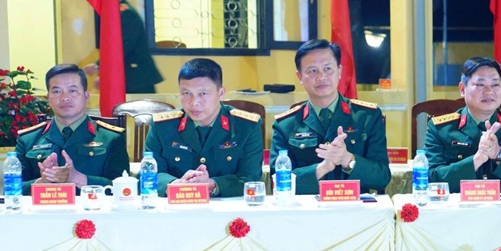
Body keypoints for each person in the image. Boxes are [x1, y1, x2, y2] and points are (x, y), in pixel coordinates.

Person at [270, 39, 391, 194]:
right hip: (307, 207)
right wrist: (322, 168)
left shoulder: (367, 116)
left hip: (355, 206)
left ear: (339, 71)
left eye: (328, 69)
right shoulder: (285, 125)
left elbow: (382, 178)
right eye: (312, 71)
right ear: (300, 77)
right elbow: (277, 183)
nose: (321, 77)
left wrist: (347, 159)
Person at [144, 58, 263, 197]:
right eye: (186, 93)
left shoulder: (246, 127)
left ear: (221, 93)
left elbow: (250, 178)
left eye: (203, 94)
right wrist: (176, 184)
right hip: (175, 205)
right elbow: (149, 173)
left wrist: (212, 184)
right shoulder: (162, 127)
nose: (194, 102)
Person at [424, 57, 501, 193]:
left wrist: (499, 154)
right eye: (480, 85)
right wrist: (476, 160)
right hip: (459, 205)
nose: (489, 91)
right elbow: (430, 180)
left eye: (495, 85)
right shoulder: (440, 128)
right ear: (462, 89)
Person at [15, 64, 129, 195]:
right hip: (45, 208)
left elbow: (124, 189)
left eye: (73, 91)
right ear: (48, 98)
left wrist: (77, 179)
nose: (65, 98)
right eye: (57, 91)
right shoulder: (27, 139)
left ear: (86, 96)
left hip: (91, 207)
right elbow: (11, 189)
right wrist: (42, 182)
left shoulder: (111, 138)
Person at [84, 0, 164, 93]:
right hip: (128, 79)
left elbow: (122, 48)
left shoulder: (127, 14)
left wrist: (100, 67)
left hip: (136, 80)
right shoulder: (117, 13)